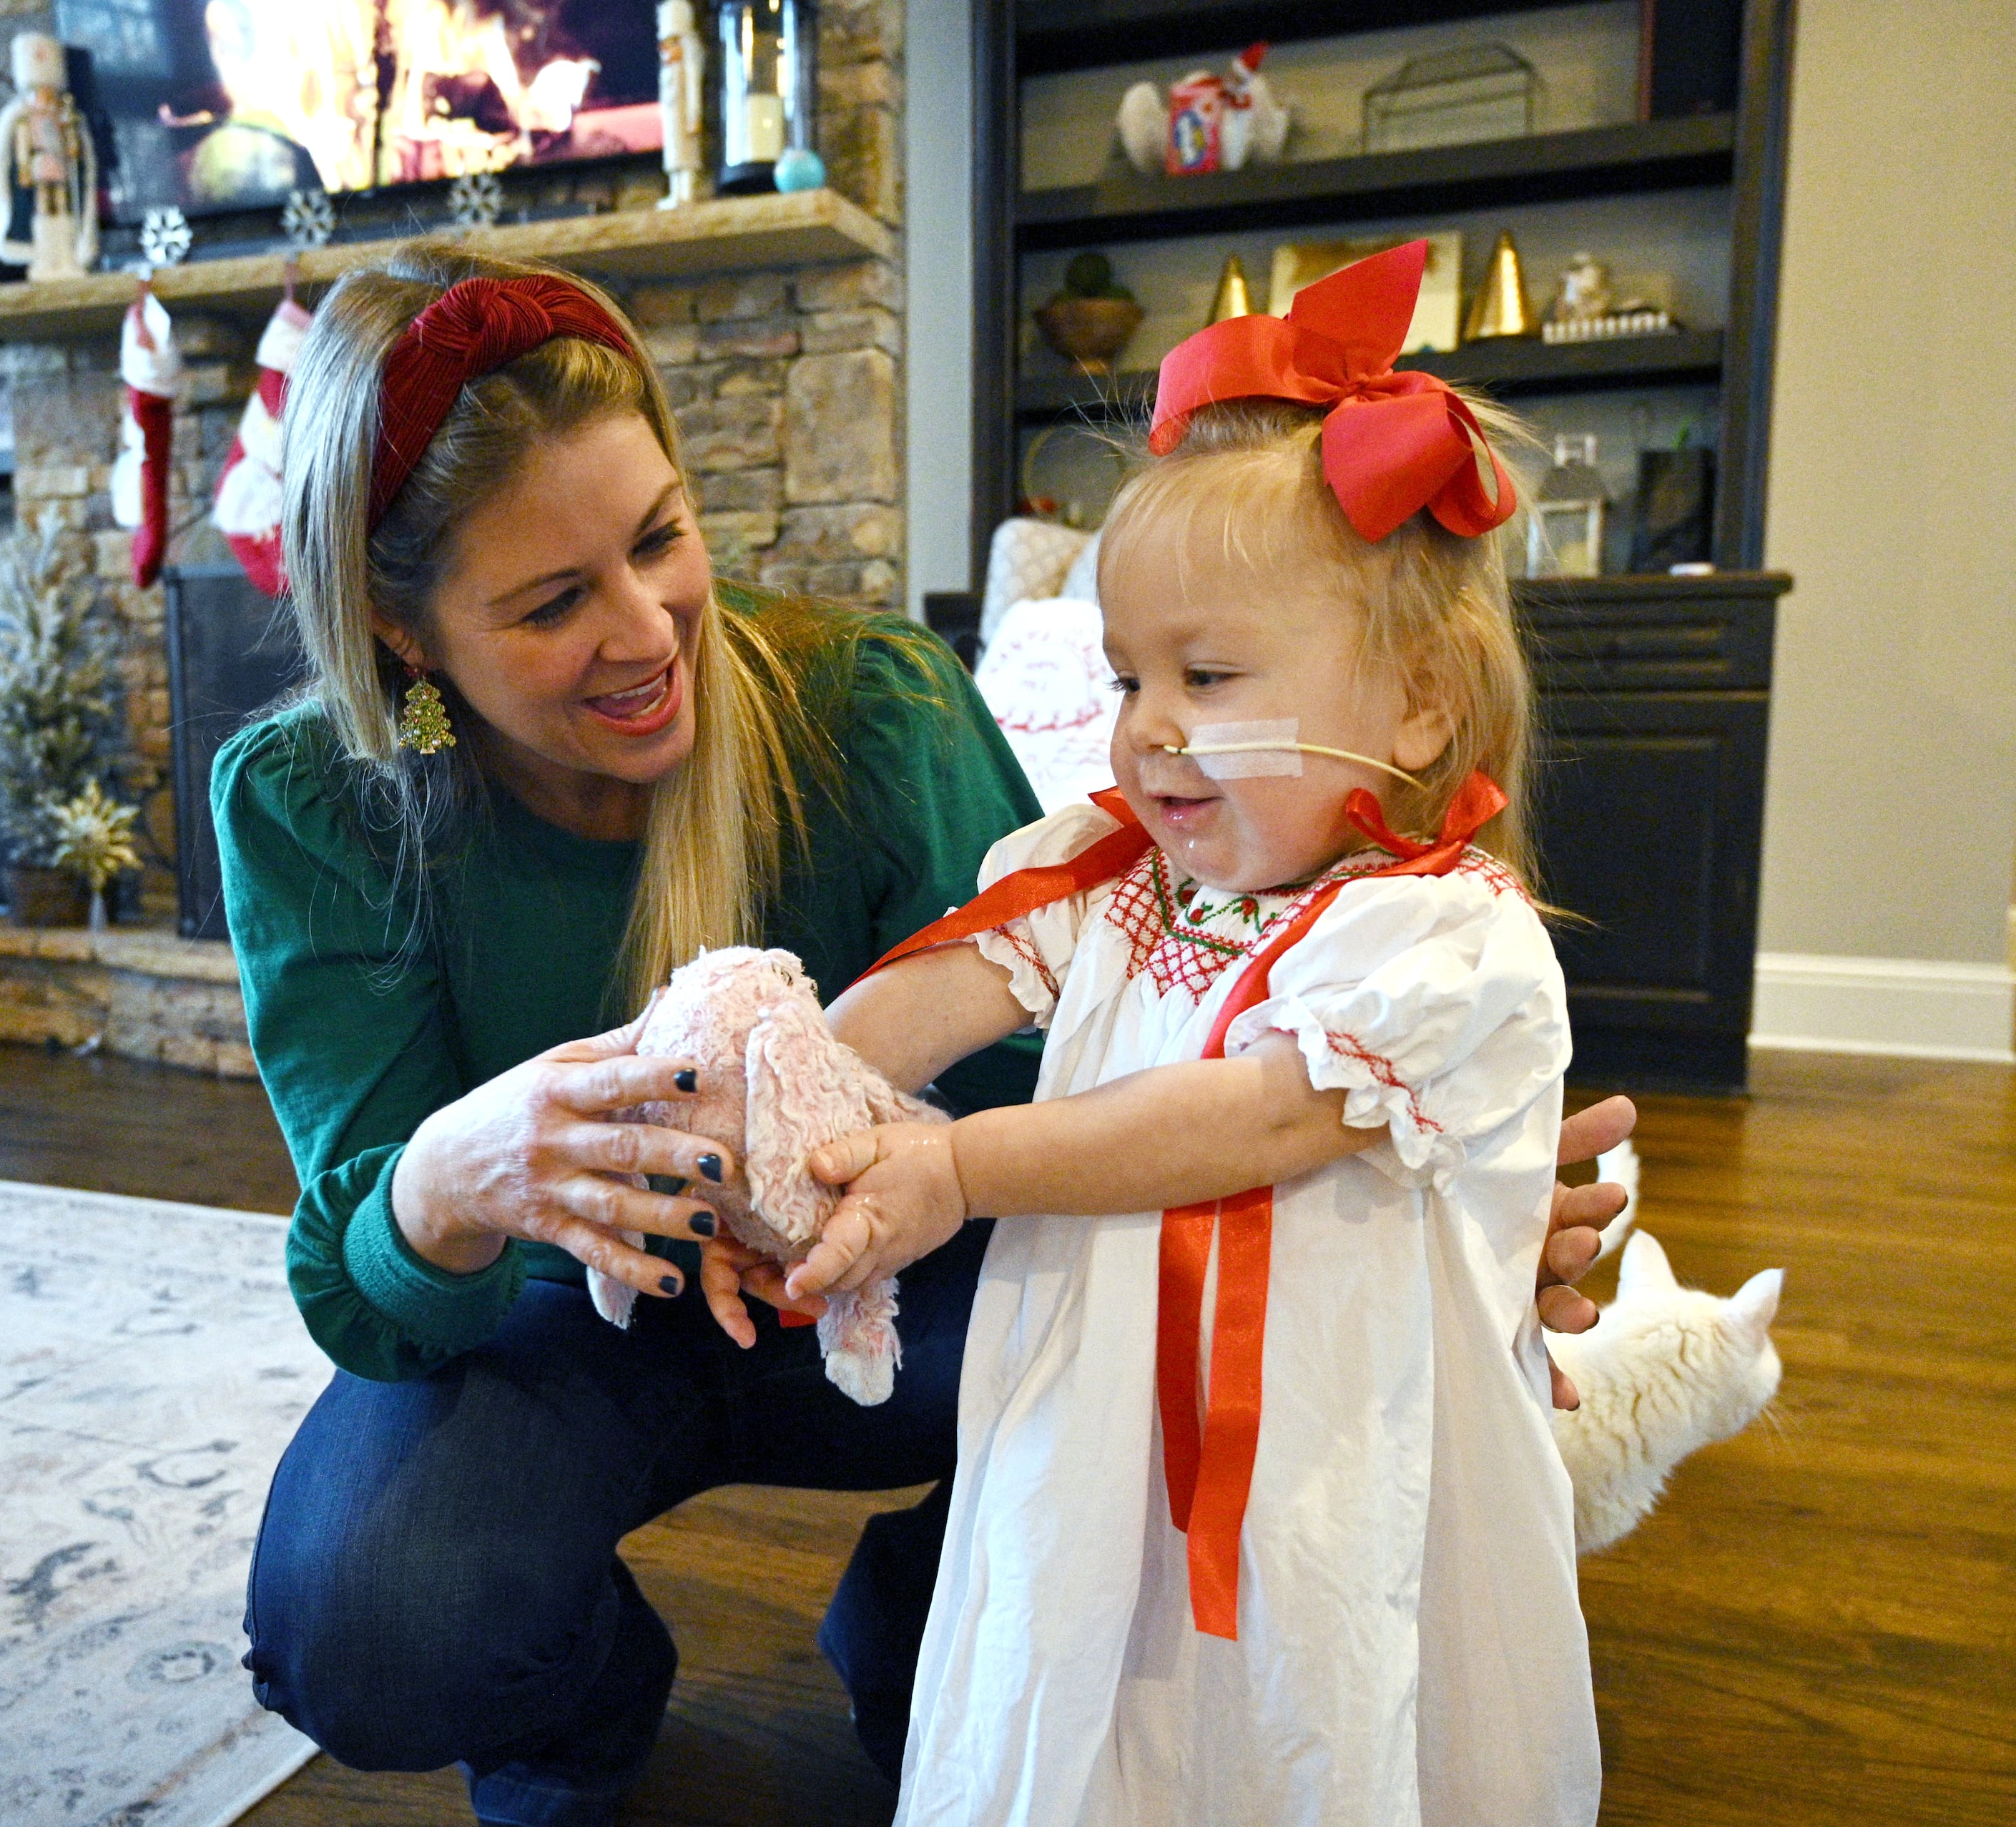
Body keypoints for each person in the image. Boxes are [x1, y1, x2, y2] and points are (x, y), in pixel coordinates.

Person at [217, 242, 1631, 1827]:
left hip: (919, 1286)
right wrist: (444, 1181)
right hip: (580, 1328)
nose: (648, 630)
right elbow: (370, 1299)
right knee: (365, 1616)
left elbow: (1094, 1087)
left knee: (1140, 1419)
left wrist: (1390, 1202)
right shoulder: (306, 807)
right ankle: (583, 1712)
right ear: (406, 637)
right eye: (554, 603)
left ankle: (924, 1599)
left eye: (660, 540)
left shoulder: (866, 706)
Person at [777, 241, 1598, 1824]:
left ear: (1419, 705)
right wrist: (783, 1079)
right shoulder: (1114, 877)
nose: (1146, 725)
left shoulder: (1442, 939)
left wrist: (964, 1167)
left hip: (1326, 1472)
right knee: (1077, 1687)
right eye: (1125, 675)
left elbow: (1261, 1117)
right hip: (1086, 1437)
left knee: (1305, 1713)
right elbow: (940, 991)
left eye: (1207, 675)